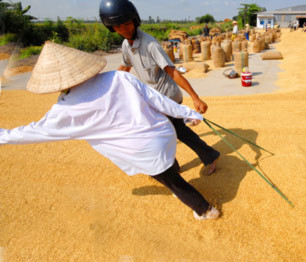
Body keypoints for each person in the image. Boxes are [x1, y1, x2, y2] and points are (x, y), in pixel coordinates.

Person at [0, 41, 220, 220]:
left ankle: (206, 210)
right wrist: (188, 113)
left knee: (171, 181)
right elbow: (158, 100)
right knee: (163, 157)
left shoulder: (64, 110)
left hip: (143, 151)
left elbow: (33, 132)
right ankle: (174, 170)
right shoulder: (119, 77)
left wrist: (3, 136)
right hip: (164, 134)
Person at [99, 0, 220, 176]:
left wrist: (195, 98)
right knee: (179, 131)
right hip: (153, 98)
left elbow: (172, 71)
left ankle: (172, 169)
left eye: (126, 23)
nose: (123, 29)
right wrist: (107, 88)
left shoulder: (150, 44)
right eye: (117, 26)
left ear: (135, 20)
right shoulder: (126, 44)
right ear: (111, 28)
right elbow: (124, 67)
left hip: (168, 97)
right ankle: (209, 156)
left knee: (159, 135)